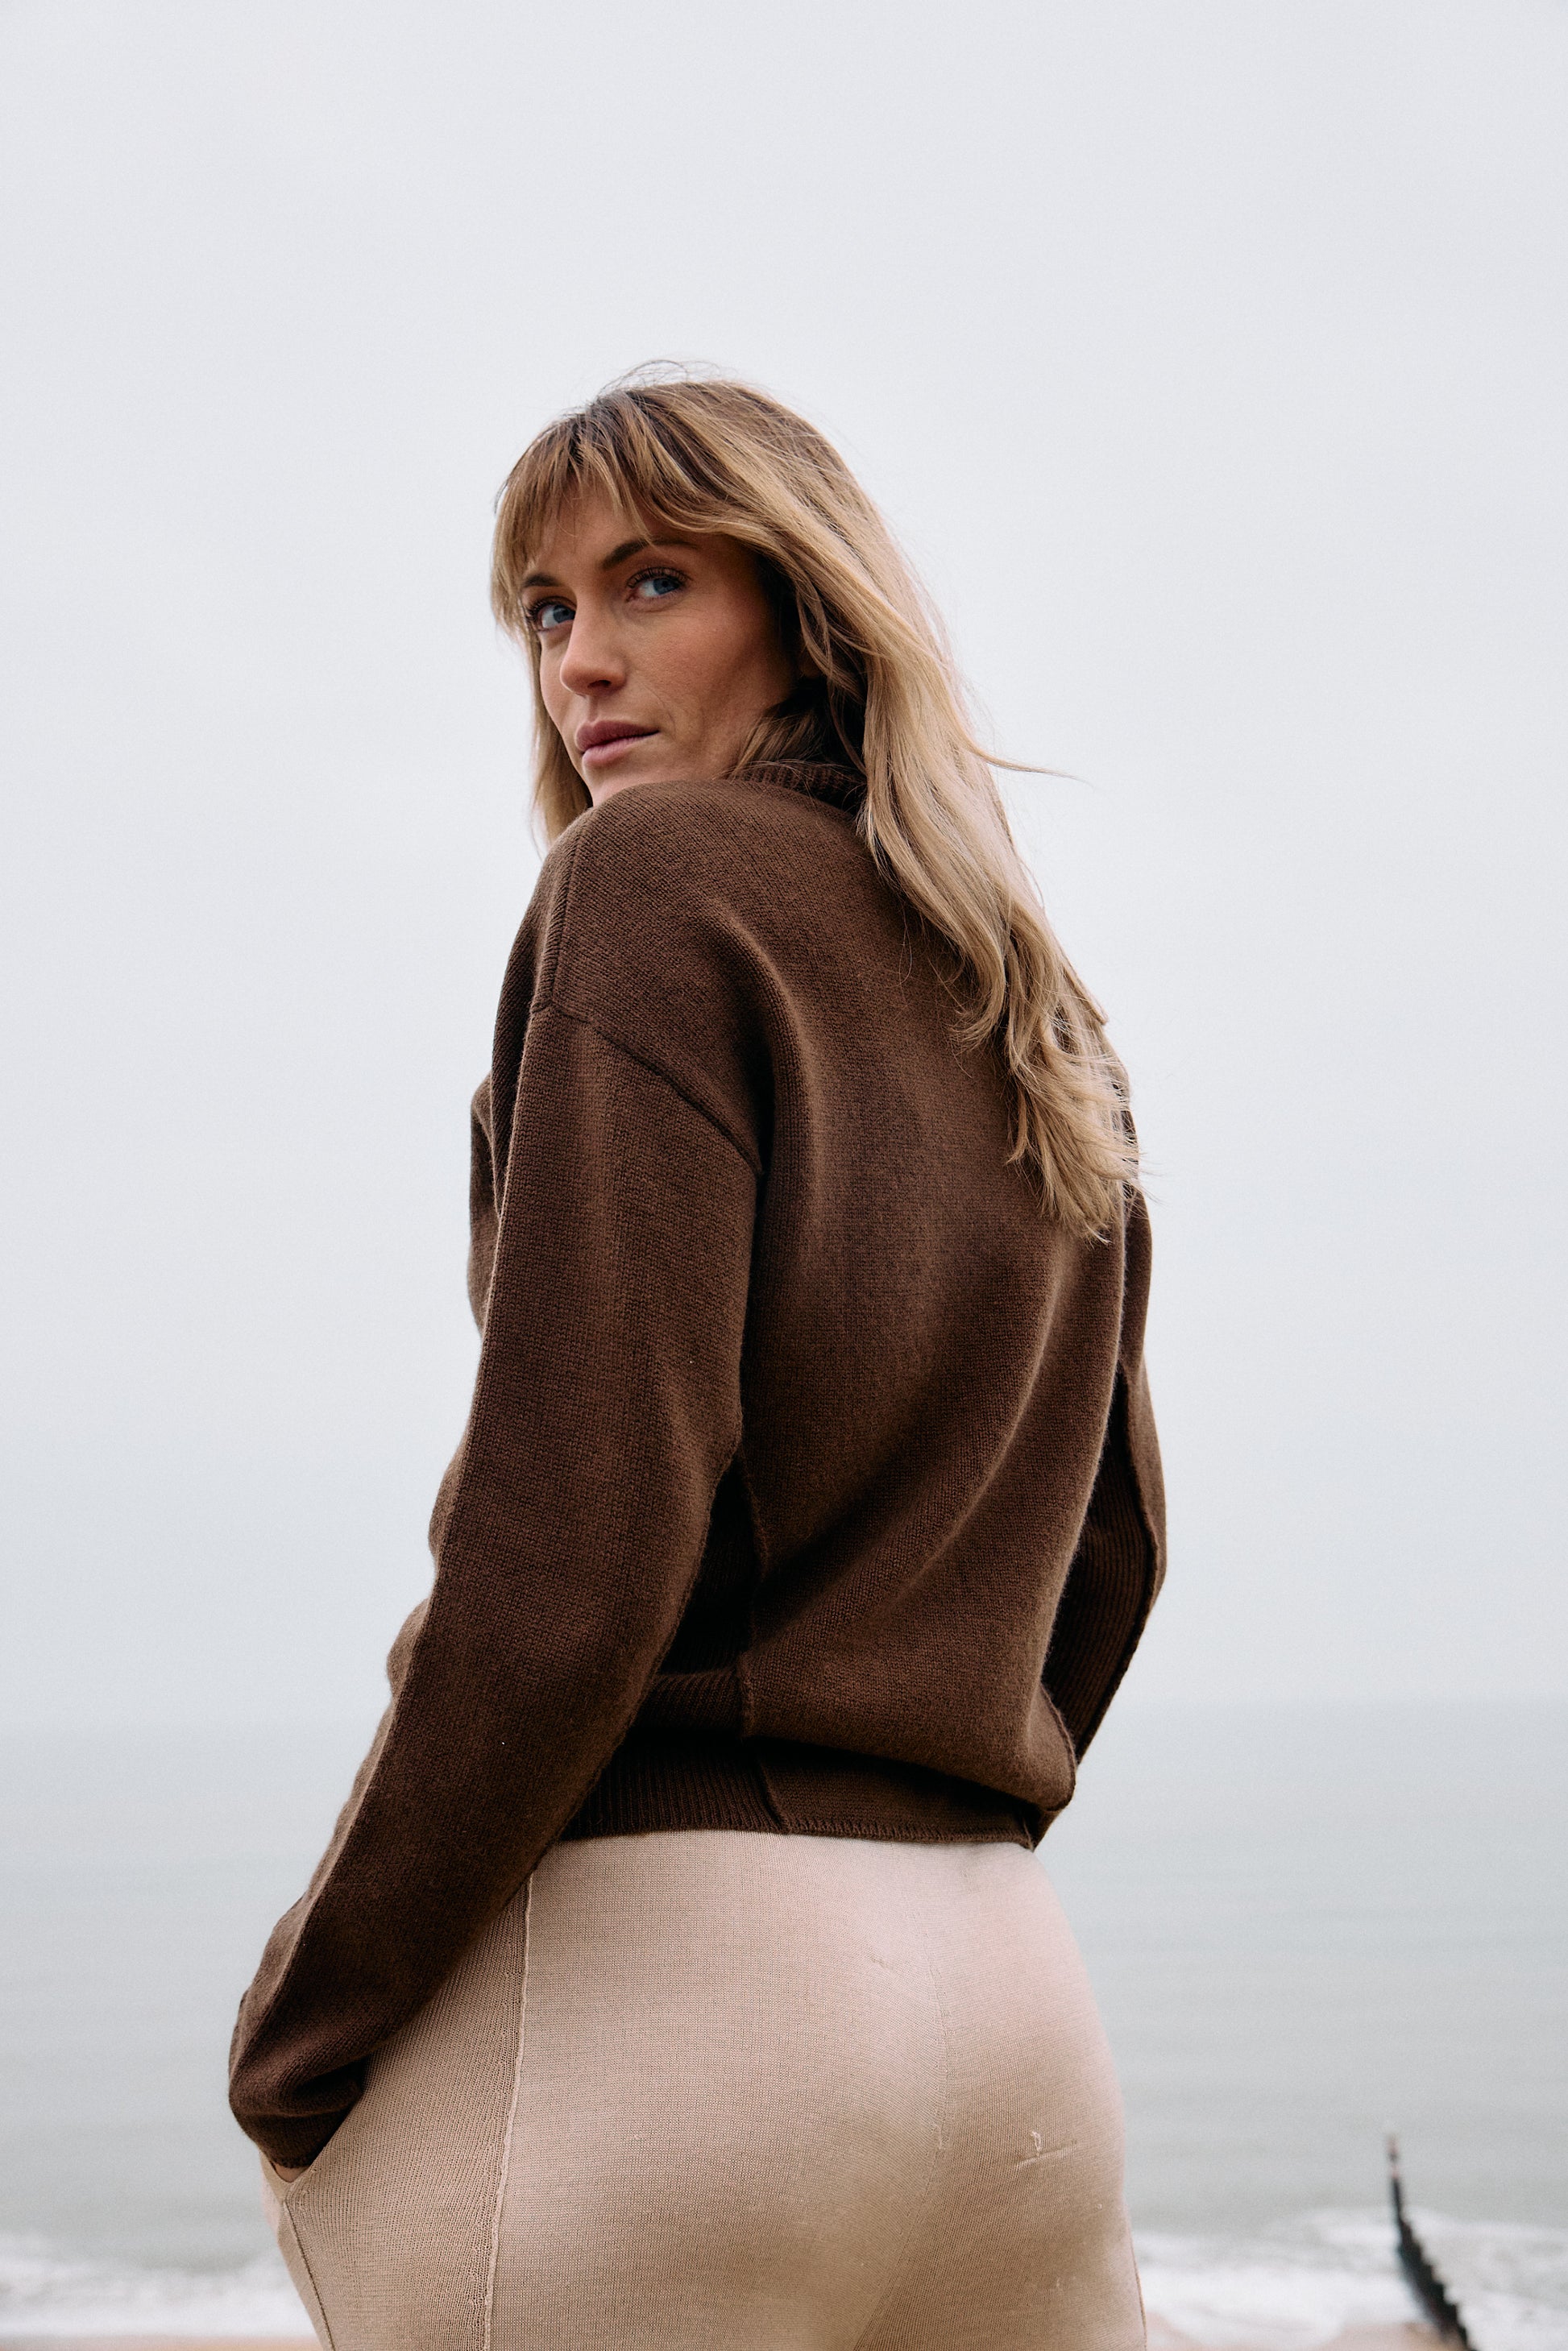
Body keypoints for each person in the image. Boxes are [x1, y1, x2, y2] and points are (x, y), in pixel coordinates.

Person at [230, 371, 1166, 2351]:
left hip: (695, 2012)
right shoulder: (1033, 998)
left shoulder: (652, 886)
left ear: (808, 613)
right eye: (546, 609)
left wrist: (309, 2022)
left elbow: (567, 1558)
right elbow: (1116, 1549)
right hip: (1012, 2015)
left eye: (652, 581)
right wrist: (924, 1839)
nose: (580, 661)